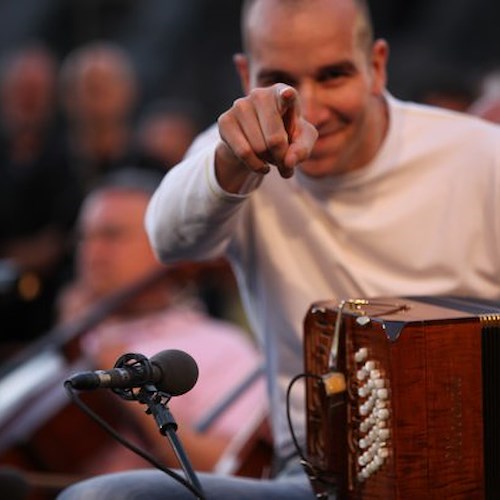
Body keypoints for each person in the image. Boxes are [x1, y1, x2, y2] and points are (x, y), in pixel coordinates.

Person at [59, 0, 500, 498]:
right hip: (315, 475)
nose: (308, 110)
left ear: (376, 67)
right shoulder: (235, 154)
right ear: (246, 75)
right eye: (281, 83)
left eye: (333, 76)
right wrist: (232, 163)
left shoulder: (481, 157)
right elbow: (170, 238)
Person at [57, 167, 268, 475]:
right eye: (84, 238)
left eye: (111, 235)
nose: (92, 253)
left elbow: (228, 470)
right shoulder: (77, 334)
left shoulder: (223, 347)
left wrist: (119, 379)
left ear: (164, 241)